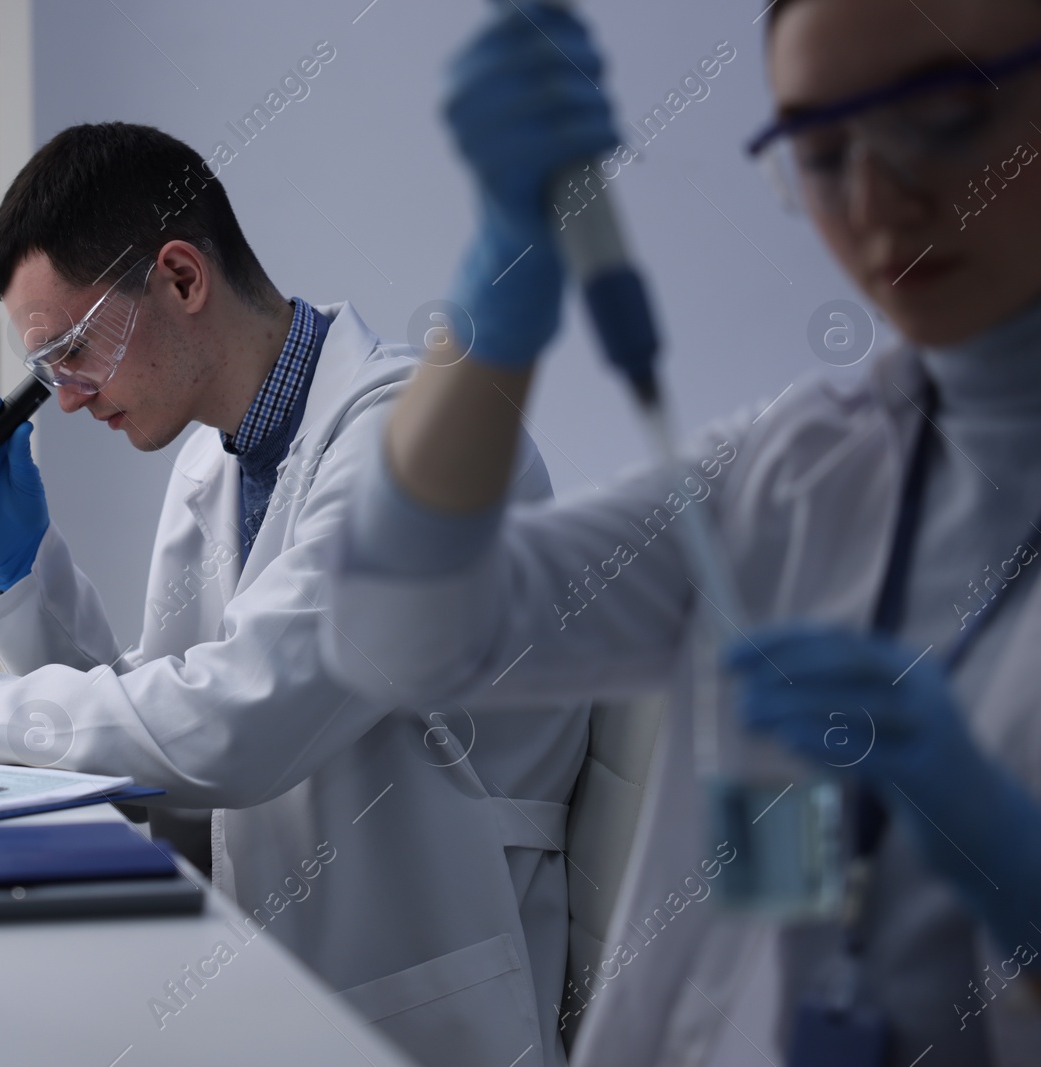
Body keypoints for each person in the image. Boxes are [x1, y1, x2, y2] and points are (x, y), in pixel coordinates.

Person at [318, 1, 1041, 1064]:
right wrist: (496, 293)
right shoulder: (794, 468)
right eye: (822, 148)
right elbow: (399, 636)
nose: (878, 196)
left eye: (938, 111)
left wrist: (1010, 864)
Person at [0, 122, 588, 1067]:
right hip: (270, 979)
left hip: (422, 1012)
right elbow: (162, 768)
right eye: (47, 375)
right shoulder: (218, 458)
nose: (69, 398)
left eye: (71, 350)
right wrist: (24, 564)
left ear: (180, 278)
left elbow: (229, 731)